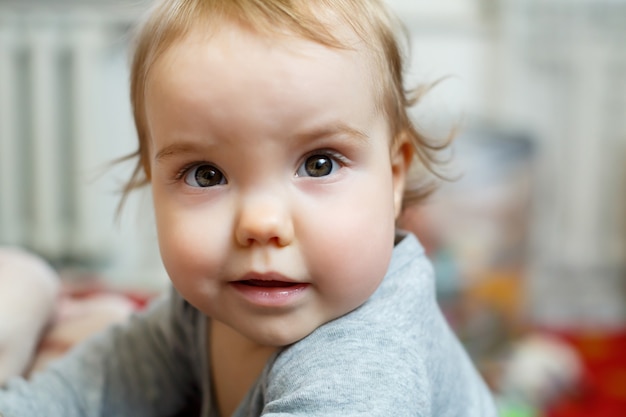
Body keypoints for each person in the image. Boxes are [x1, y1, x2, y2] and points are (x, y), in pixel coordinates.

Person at [0, 0, 498, 415]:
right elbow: (82, 393)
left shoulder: (364, 366)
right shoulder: (199, 311)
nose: (261, 224)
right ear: (154, 183)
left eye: (319, 164)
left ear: (394, 176)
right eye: (206, 175)